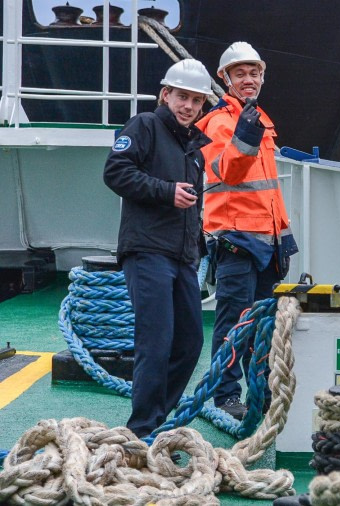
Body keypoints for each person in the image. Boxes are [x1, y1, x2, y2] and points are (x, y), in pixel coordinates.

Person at [102, 59, 213, 438]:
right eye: (182, 97)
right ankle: (142, 430)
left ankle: (156, 420)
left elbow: (190, 207)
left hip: (182, 257)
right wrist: (167, 192)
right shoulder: (144, 126)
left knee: (191, 341)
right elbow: (115, 171)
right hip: (147, 251)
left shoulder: (196, 152)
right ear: (165, 95)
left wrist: (200, 246)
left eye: (196, 101)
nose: (188, 106)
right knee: (157, 339)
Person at [195, 41, 297, 420]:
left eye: (254, 73)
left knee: (264, 324)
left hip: (268, 241)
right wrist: (245, 138)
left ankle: (262, 391)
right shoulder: (221, 122)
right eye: (241, 73)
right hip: (236, 238)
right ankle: (224, 396)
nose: (249, 79)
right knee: (234, 323)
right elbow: (226, 171)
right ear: (225, 79)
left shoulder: (259, 119)